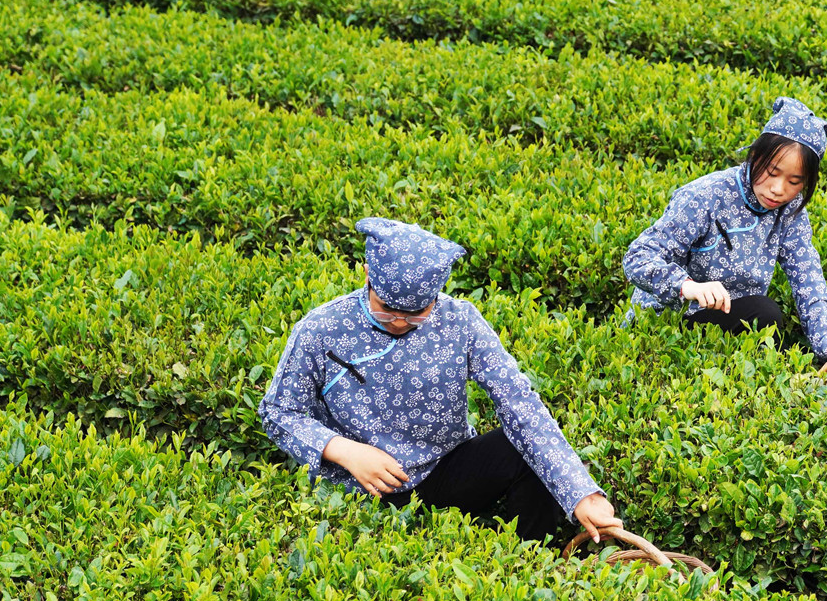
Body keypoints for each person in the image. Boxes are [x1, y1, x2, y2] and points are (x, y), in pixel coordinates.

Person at [259, 217, 620, 542]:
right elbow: (279, 411)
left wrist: (582, 494)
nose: (400, 322)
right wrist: (346, 452)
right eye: (387, 310)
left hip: (444, 469)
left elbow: (519, 404)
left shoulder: (460, 321)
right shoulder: (322, 329)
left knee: (524, 451)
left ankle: (530, 562)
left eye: (416, 314)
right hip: (362, 486)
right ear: (367, 274)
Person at [624, 96, 827, 372]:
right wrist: (689, 286)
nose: (778, 189)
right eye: (772, 173)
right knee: (765, 313)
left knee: (768, 325)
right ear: (755, 156)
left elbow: (807, 277)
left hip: (733, 321)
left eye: (794, 182)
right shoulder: (705, 196)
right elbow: (637, 258)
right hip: (670, 322)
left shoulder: (790, 209)